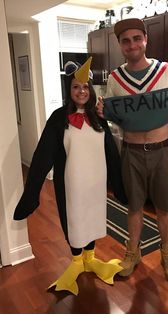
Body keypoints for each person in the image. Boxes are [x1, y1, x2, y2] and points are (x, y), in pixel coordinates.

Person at [13, 57, 127, 296]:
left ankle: (92, 259)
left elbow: (111, 152)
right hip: (72, 184)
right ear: (69, 90)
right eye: (76, 86)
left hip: (96, 183)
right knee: (75, 221)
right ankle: (76, 263)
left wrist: (118, 185)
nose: (82, 91)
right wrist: (31, 194)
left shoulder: (99, 116)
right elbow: (42, 155)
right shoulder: (58, 118)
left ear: (91, 89)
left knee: (93, 219)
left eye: (85, 87)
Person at [96, 18, 168, 283]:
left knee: (164, 207)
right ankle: (133, 252)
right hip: (131, 152)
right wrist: (103, 113)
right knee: (134, 207)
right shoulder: (115, 79)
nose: (132, 45)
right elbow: (117, 120)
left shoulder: (167, 71)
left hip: (162, 150)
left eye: (137, 38)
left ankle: (167, 255)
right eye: (126, 41)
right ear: (120, 45)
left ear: (145, 40)